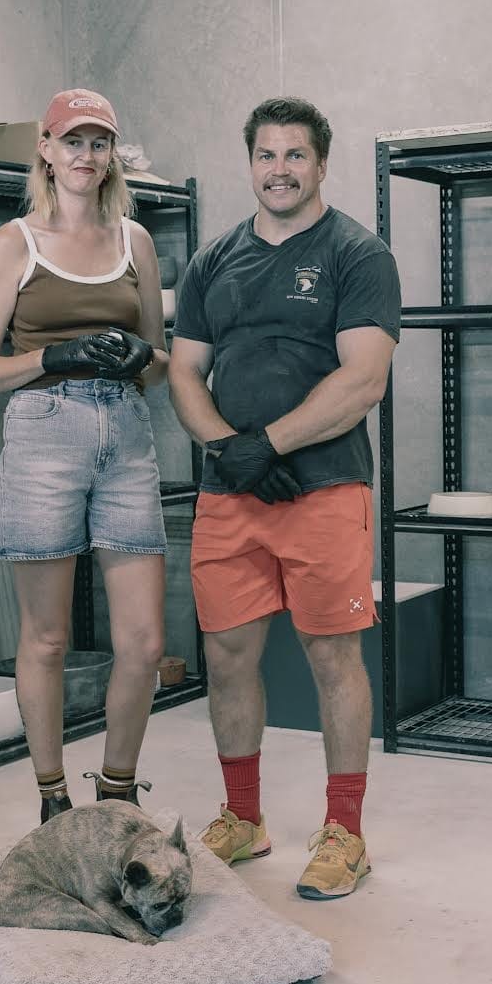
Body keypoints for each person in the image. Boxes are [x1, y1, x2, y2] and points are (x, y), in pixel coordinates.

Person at [168, 97, 400, 899]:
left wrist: (272, 445)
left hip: (324, 486)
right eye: (266, 156)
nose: (280, 170)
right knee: (227, 654)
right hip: (229, 490)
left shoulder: (357, 254)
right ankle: (243, 819)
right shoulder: (212, 260)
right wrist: (228, 451)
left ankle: (346, 832)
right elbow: (183, 372)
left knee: (333, 655)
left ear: (321, 163)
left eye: (295, 156)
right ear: (250, 163)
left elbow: (363, 377)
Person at [0, 89, 170, 825]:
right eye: (72, 141)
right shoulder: (14, 242)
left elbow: (158, 362)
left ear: (111, 154)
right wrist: (55, 354)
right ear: (45, 150)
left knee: (144, 643)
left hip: (126, 433)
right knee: (47, 637)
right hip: (43, 431)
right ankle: (53, 799)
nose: (86, 155)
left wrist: (143, 356)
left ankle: (115, 796)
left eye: (100, 142)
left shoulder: (133, 242)